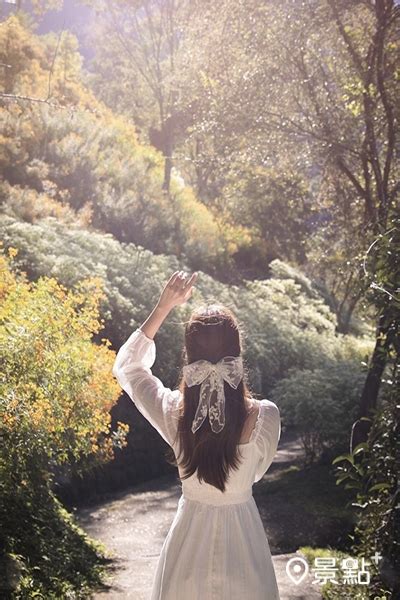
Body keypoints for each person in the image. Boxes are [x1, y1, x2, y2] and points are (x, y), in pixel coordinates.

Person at [112, 270, 282, 600]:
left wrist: (163, 308)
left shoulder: (175, 411)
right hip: (243, 542)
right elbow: (256, 473)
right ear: (237, 352)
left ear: (189, 355)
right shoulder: (265, 416)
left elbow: (128, 368)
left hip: (187, 543)